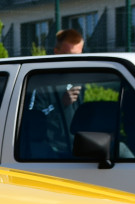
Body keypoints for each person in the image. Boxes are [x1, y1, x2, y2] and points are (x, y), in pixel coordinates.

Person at [27, 29, 87, 157]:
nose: (75, 61)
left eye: (79, 56)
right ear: (57, 52)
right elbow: (33, 120)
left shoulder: (81, 80)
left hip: (77, 148)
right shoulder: (41, 82)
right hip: (51, 150)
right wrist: (60, 104)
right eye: (69, 56)